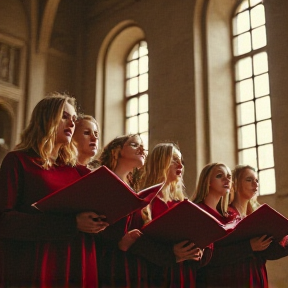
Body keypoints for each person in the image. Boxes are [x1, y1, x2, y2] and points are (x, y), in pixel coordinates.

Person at [0, 93, 108, 288]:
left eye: (74, 119)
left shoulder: (77, 170)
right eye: (64, 116)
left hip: (78, 261)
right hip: (37, 263)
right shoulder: (18, 161)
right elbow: (4, 220)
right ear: (46, 118)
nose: (71, 123)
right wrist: (71, 224)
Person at [128, 142, 211, 288]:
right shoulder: (144, 202)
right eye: (173, 159)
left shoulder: (182, 205)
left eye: (181, 161)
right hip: (154, 276)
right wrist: (171, 253)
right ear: (159, 163)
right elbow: (135, 243)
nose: (180, 164)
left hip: (183, 276)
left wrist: (198, 250)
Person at [193, 163, 288, 288]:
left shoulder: (257, 215)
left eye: (257, 180)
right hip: (233, 278)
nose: (255, 184)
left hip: (256, 276)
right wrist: (249, 247)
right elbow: (216, 255)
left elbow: (266, 252)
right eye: (249, 180)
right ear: (235, 184)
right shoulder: (224, 214)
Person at [97, 134, 147, 287]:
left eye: (142, 146)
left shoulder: (134, 190)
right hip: (108, 265)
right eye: (134, 144)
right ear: (117, 151)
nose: (142, 149)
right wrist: (119, 243)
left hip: (132, 265)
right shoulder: (102, 182)